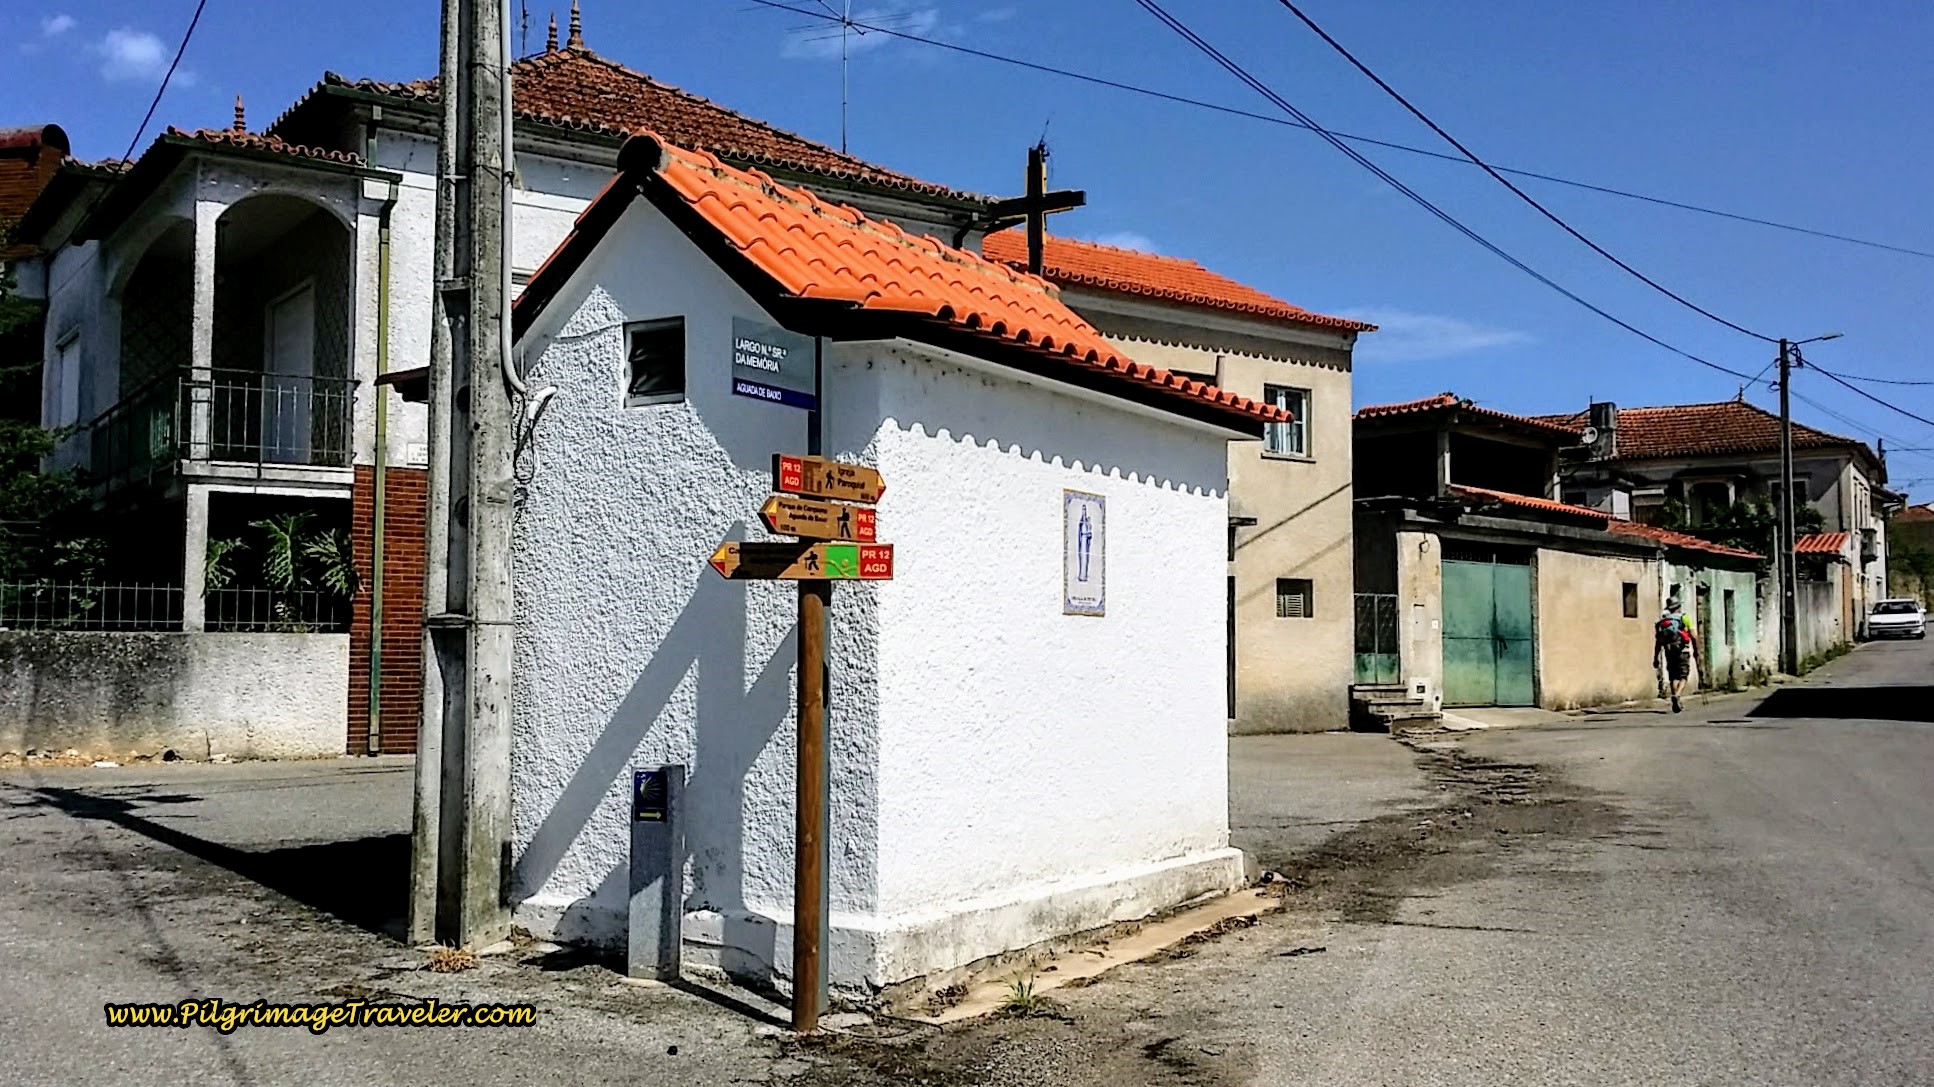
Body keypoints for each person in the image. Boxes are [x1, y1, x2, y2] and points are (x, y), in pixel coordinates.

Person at [1654, 598, 1700, 713]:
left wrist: (1655, 657)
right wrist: (1696, 650)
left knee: (1673, 676)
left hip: (1669, 652)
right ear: (1678, 607)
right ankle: (1678, 695)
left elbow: (1658, 642)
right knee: (1683, 675)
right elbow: (1693, 636)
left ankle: (1676, 699)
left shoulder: (1662, 622)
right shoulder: (1684, 618)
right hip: (1682, 651)